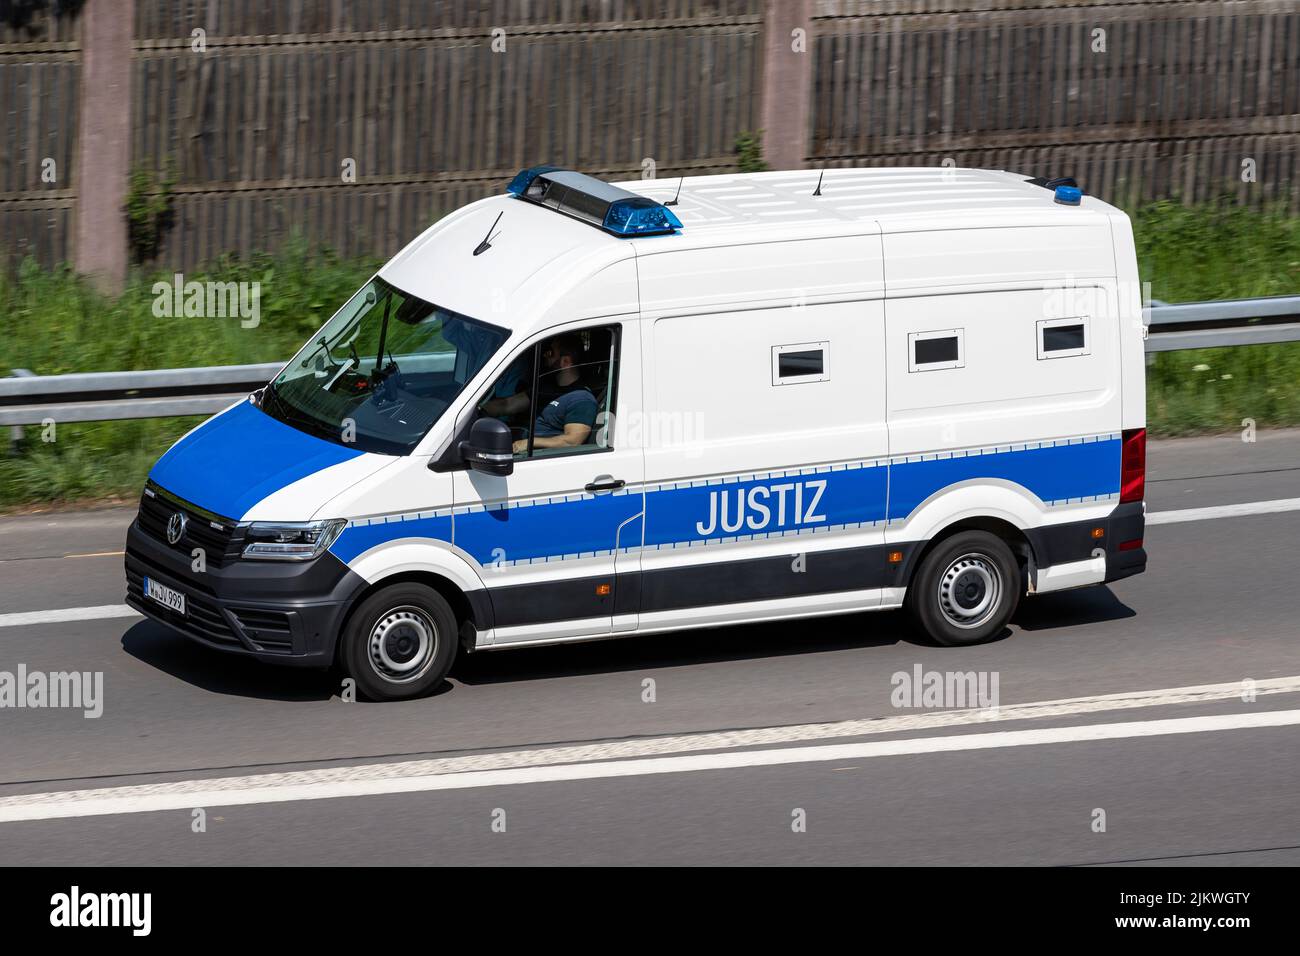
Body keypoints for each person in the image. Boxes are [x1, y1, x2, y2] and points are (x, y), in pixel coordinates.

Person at [512, 333, 598, 453]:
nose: (545, 355)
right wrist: (482, 408)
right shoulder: (546, 388)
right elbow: (508, 404)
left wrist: (528, 443)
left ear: (566, 361)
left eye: (550, 352)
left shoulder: (581, 399)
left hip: (535, 456)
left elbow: (572, 441)